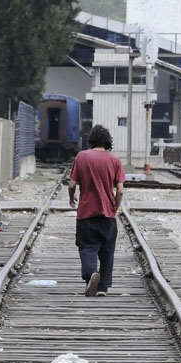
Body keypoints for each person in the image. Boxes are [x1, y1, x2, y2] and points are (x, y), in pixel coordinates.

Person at [67, 125, 125, 297]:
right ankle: (103, 288)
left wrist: (72, 197)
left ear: (91, 140)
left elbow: (71, 184)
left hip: (86, 213)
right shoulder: (115, 160)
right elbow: (120, 190)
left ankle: (91, 273)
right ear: (108, 141)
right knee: (107, 251)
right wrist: (115, 206)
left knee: (87, 246)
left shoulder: (82, 157)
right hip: (107, 215)